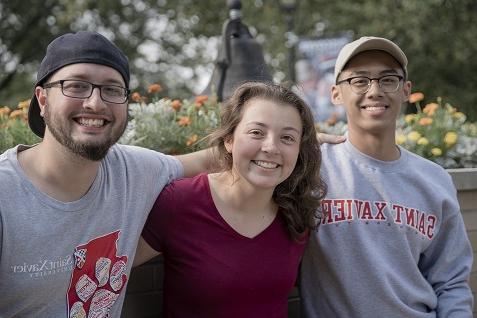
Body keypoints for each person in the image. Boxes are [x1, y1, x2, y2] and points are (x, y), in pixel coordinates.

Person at [0, 31, 210, 317]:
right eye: (76, 86)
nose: (96, 103)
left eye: (112, 89)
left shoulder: (132, 170)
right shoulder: (5, 196)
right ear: (43, 99)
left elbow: (210, 161)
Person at [300, 36, 473, 317]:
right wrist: (291, 144)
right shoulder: (311, 168)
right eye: (359, 80)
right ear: (336, 93)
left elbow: (451, 281)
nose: (375, 90)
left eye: (388, 79)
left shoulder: (435, 180)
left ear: (405, 90)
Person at [133, 82, 327, 317]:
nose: (271, 147)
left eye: (287, 138)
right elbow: (108, 269)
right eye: (257, 132)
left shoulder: (297, 211)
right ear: (229, 139)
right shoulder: (180, 201)